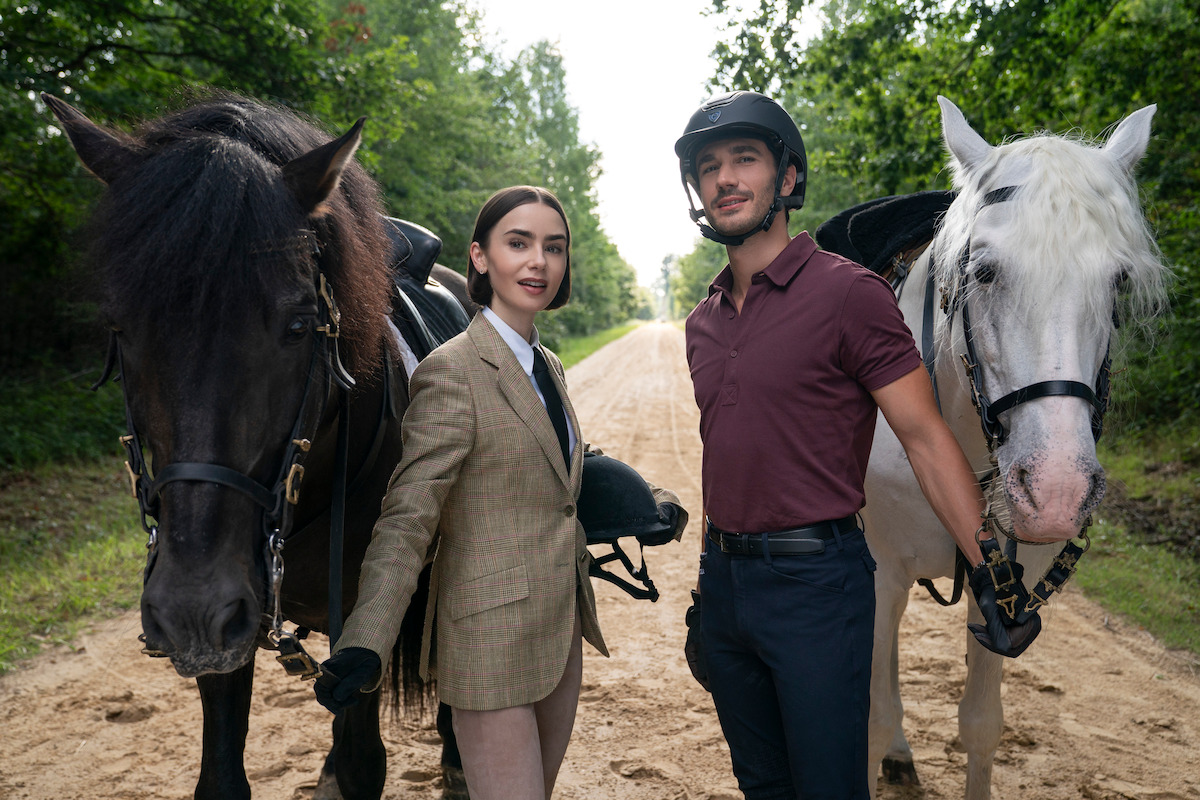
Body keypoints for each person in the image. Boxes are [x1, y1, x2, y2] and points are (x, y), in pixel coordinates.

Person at [675, 91, 1039, 798]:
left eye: (744, 160)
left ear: (786, 179)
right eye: (708, 166)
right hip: (726, 590)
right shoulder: (704, 321)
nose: (724, 179)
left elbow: (926, 437)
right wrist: (708, 592)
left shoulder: (850, 295)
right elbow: (733, 459)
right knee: (761, 785)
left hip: (818, 588)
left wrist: (989, 569)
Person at [312, 185, 685, 800]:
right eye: (519, 243)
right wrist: (367, 640)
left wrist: (641, 500)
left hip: (561, 629)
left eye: (553, 247)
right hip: (486, 643)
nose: (538, 260)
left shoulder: (550, 364)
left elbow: (552, 468)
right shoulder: (450, 371)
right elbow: (409, 515)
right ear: (480, 258)